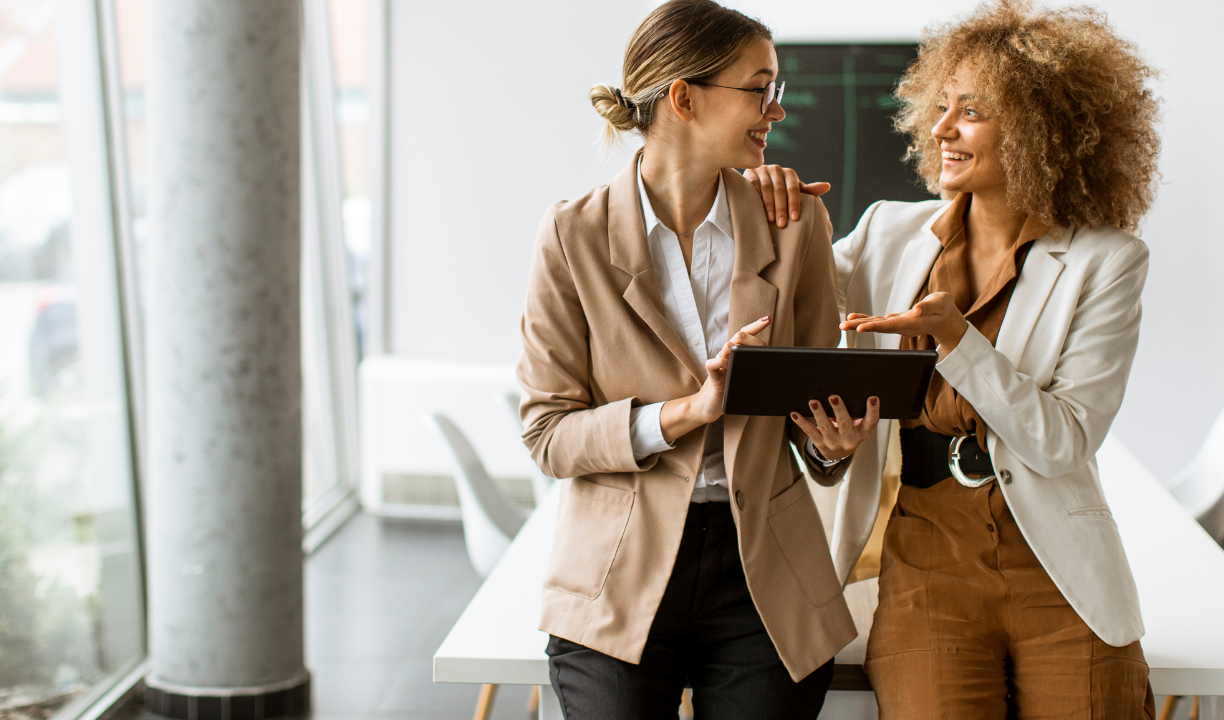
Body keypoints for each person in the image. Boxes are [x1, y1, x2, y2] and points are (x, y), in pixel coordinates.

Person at [743, 1, 1161, 717]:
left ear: (1041, 128)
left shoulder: (1107, 260)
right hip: (927, 563)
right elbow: (788, 301)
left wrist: (958, 341)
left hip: (1058, 569)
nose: (941, 129)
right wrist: (756, 205)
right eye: (940, 106)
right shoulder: (886, 230)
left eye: (973, 111)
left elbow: (1062, 441)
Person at [516, 1, 880, 717]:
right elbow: (548, 436)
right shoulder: (572, 236)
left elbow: (809, 408)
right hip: (618, 569)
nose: (776, 110)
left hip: (765, 575)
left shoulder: (794, 223)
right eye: (760, 87)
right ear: (683, 97)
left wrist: (833, 448)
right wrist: (689, 411)